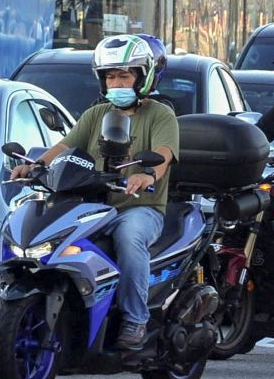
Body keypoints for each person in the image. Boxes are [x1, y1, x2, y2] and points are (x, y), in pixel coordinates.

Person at [13, 34, 179, 351]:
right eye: (110, 77)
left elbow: (164, 152)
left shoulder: (160, 114)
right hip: (91, 205)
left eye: (124, 76)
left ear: (142, 78)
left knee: (129, 239)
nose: (117, 83)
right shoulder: (95, 114)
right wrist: (35, 165)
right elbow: (65, 146)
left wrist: (146, 174)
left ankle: (135, 320)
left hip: (138, 207)